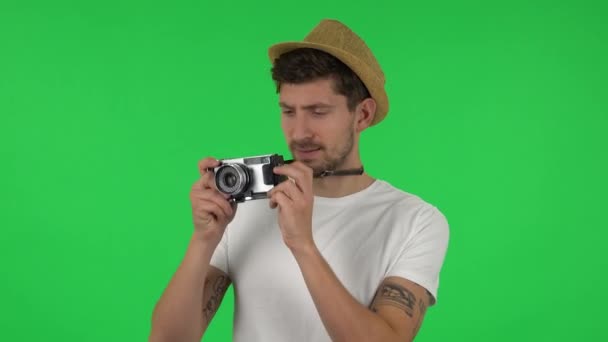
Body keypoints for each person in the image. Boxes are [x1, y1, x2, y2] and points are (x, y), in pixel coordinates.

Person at [149, 19, 449, 342]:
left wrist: (302, 245)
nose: (299, 132)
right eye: (289, 111)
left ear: (362, 115)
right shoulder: (244, 209)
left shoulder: (415, 220)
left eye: (318, 112)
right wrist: (203, 240)